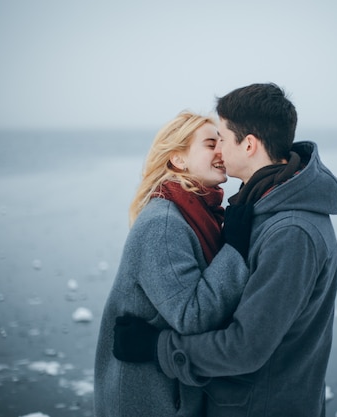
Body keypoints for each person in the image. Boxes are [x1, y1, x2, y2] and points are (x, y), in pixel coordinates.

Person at [113, 83, 337, 416]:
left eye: (220, 137)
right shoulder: (260, 209)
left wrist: (158, 347)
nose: (219, 149)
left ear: (248, 144)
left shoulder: (291, 231)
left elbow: (245, 347)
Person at [94, 111, 251, 416]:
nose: (222, 150)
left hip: (171, 394)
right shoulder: (164, 223)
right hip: (148, 401)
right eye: (210, 144)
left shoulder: (200, 215)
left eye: (221, 141)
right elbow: (192, 316)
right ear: (178, 160)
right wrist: (236, 247)